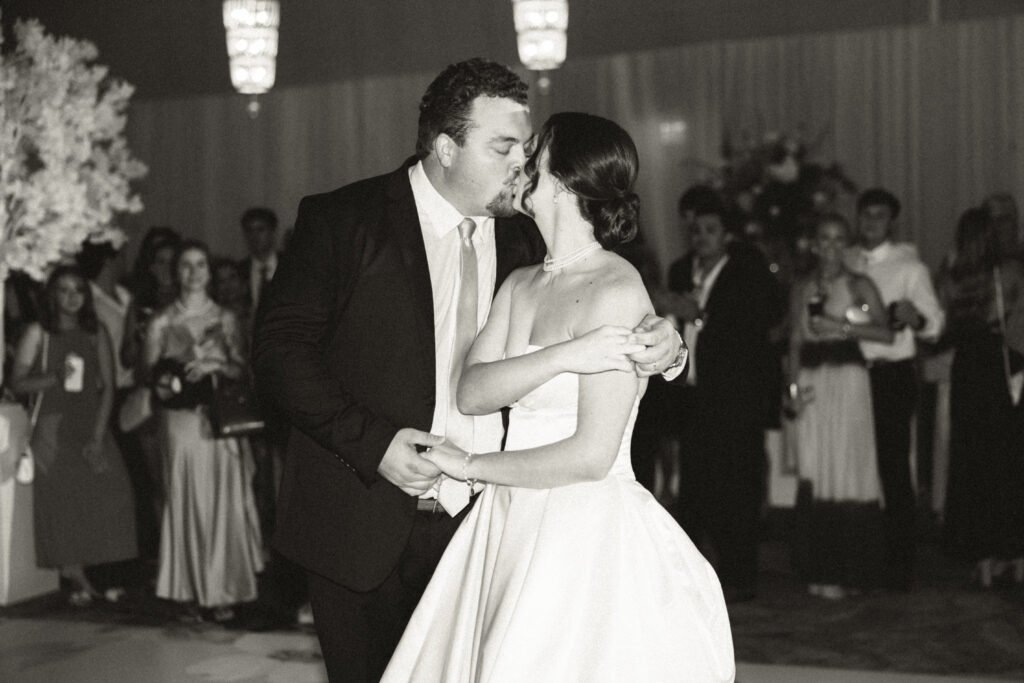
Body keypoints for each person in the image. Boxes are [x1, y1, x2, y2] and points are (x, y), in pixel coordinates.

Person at [252, 59, 683, 683]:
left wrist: (668, 349)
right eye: (504, 146)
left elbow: (607, 304)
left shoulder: (533, 238)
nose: (520, 164)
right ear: (446, 146)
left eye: (527, 149)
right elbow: (279, 352)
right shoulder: (346, 219)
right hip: (363, 515)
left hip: (492, 522)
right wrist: (374, 445)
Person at [382, 112, 733, 682]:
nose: (519, 162)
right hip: (507, 518)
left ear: (566, 182)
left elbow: (591, 456)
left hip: (581, 529)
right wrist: (566, 355)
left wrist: (472, 466)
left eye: (534, 152)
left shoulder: (615, 286)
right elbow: (471, 393)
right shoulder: (521, 283)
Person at [665, 191, 784, 603]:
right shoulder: (682, 269)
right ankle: (691, 573)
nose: (701, 237)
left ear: (727, 234)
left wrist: (703, 314)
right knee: (694, 486)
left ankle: (740, 574)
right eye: (695, 230)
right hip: (694, 394)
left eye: (710, 230)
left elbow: (757, 325)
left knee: (738, 487)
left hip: (736, 395)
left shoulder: (747, 270)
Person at [146, 239, 263, 622]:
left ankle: (222, 588)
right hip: (179, 423)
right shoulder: (161, 320)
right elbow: (149, 377)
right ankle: (187, 591)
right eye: (185, 265)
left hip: (217, 419)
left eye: (200, 265)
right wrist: (176, 371)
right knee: (184, 500)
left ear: (209, 272)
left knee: (222, 500)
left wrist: (214, 366)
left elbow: (242, 370)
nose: (193, 273)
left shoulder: (226, 318)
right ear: (175, 271)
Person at [10, 265, 137, 605]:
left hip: (89, 422)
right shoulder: (39, 332)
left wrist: (97, 437)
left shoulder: (95, 332)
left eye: (78, 290)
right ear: (52, 294)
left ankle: (103, 571)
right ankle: (74, 574)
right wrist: (52, 376)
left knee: (113, 491)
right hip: (53, 426)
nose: (71, 297)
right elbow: (17, 381)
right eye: (63, 290)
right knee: (65, 502)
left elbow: (109, 387)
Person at [787, 213, 893, 599]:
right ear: (814, 243)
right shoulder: (802, 287)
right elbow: (796, 342)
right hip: (814, 379)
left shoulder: (858, 283)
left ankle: (851, 570)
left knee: (847, 468)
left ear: (845, 245)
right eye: (823, 239)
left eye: (837, 240)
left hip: (848, 379)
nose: (830, 247)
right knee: (817, 469)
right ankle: (819, 567)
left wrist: (843, 326)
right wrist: (793, 388)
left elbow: (885, 330)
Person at [846, 187, 945, 592]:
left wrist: (916, 317)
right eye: (866, 215)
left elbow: (936, 323)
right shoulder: (847, 260)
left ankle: (900, 563)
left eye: (880, 216)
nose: (871, 222)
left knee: (892, 465)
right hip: (850, 372)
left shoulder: (909, 267)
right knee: (856, 464)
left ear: (891, 222)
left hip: (891, 373)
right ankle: (861, 553)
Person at [938, 207, 1024, 588]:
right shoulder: (1008, 272)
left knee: (973, 462)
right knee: (1007, 462)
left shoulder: (955, 276)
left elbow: (944, 325)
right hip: (998, 364)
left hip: (968, 366)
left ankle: (984, 559)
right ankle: (1016, 555)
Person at [237, 207, 280, 314]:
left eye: (261, 230)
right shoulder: (239, 271)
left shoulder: (292, 266)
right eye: (249, 231)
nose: (254, 236)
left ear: (273, 232)